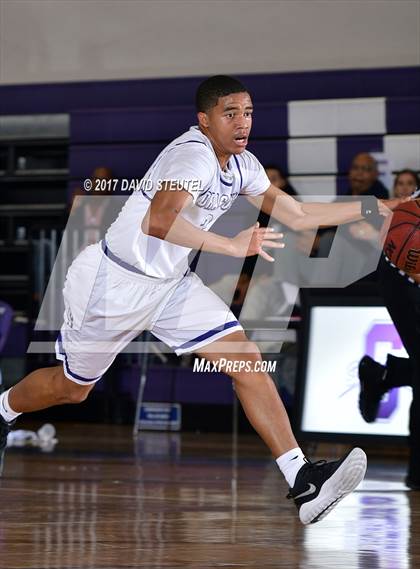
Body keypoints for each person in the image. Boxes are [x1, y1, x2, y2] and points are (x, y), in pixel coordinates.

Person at [0, 75, 403, 524]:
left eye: (248, 112)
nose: (242, 122)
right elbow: (158, 221)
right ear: (204, 120)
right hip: (113, 285)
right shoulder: (192, 156)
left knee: (246, 360)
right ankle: (3, 409)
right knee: (73, 390)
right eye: (230, 113)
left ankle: (302, 480)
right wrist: (232, 246)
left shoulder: (244, 164)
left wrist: (372, 207)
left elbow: (297, 213)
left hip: (171, 285)